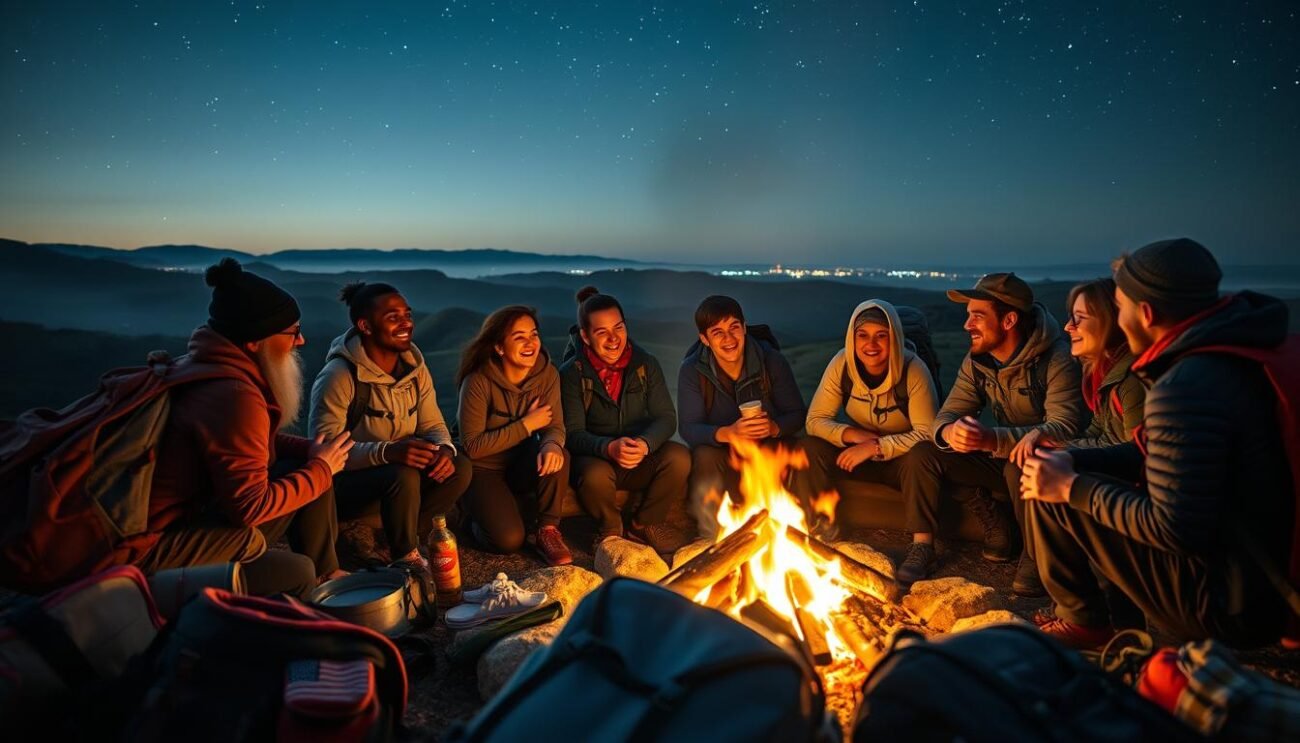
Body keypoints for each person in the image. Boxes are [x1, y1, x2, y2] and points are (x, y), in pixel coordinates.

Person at [1022, 238, 1291, 649]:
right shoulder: (1237, 355)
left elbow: (1174, 528)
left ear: (1145, 314)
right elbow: (1155, 454)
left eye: (1120, 305)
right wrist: (1072, 458)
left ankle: (1087, 621)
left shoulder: (1184, 387)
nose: (1118, 315)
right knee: (1056, 470)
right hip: (1264, 573)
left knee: (1050, 493)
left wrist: (1070, 486)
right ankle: (1102, 617)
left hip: (1230, 602)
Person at [137, 258, 352, 598]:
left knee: (308, 467)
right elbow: (249, 508)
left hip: (189, 518)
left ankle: (327, 573)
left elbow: (246, 444)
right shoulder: (234, 396)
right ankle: (309, 601)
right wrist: (322, 468)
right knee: (296, 571)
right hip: (152, 550)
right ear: (255, 341)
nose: (301, 341)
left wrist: (309, 452)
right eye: (293, 332)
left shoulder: (203, 367)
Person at [897, 272, 1083, 584]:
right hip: (1002, 457)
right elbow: (946, 416)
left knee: (1019, 466)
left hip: (1053, 464)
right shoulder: (978, 362)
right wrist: (950, 433)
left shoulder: (1057, 358)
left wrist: (990, 439)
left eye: (978, 316)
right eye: (968, 316)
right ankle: (927, 545)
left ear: (1009, 320)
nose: (967, 325)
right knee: (925, 453)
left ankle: (1037, 552)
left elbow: (1064, 428)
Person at [308, 282, 472, 572]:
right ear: (366, 326)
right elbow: (323, 450)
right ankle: (405, 558)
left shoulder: (413, 367)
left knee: (458, 466)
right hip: (347, 484)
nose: (406, 323)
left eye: (407, 315)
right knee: (403, 473)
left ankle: (402, 536)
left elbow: (432, 423)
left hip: (399, 471)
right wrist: (387, 452)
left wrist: (444, 450)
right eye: (393, 317)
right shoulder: (339, 376)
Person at [1007, 278, 1146, 597]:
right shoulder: (1104, 371)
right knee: (1031, 461)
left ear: (1112, 322)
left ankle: (1078, 605)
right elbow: (1099, 432)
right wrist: (1053, 441)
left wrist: (1066, 454)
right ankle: (1041, 564)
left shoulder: (1131, 380)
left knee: (1041, 473)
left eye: (1079, 318)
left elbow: (1135, 453)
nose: (1068, 327)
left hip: (1134, 493)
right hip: (1112, 472)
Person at [559, 287, 690, 555]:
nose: (613, 339)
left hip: (639, 454)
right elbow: (572, 434)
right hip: (596, 457)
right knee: (594, 475)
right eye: (601, 332)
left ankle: (645, 523)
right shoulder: (573, 373)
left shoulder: (645, 365)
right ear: (585, 335)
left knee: (679, 457)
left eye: (618, 328)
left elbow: (666, 417)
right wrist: (608, 448)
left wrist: (644, 443)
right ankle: (610, 529)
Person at [800, 300, 940, 539]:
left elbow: (927, 433)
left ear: (894, 337)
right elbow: (815, 420)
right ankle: (820, 527)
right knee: (809, 447)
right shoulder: (842, 364)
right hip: (857, 454)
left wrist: (876, 447)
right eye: (862, 335)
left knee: (921, 455)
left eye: (881, 335)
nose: (871, 344)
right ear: (852, 339)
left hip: (902, 461)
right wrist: (851, 435)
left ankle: (922, 545)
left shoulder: (914, 370)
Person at [678, 295, 807, 538]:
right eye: (717, 332)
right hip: (723, 450)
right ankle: (711, 535)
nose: (729, 339)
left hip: (769, 447)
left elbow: (798, 414)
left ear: (744, 328)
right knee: (705, 455)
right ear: (704, 339)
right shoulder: (693, 370)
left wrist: (774, 427)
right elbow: (689, 427)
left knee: (804, 448)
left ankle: (793, 529)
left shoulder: (771, 361)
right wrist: (727, 433)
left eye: (734, 328)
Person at [456, 305, 573, 566]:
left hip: (520, 460)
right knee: (508, 541)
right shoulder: (478, 381)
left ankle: (547, 530)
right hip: (482, 468)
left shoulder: (547, 375)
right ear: (499, 347)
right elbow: (473, 446)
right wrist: (526, 425)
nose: (530, 343)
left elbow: (555, 425)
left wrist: (552, 443)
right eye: (519, 337)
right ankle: (473, 520)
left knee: (558, 454)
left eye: (533, 334)